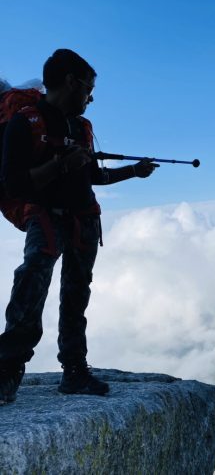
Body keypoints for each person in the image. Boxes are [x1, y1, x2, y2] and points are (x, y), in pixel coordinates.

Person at [0, 49, 158, 404]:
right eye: (88, 88)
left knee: (74, 295)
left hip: (83, 219)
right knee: (32, 285)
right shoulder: (24, 122)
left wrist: (134, 170)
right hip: (46, 215)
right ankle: (7, 371)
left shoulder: (81, 127)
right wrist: (61, 166)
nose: (91, 97)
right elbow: (14, 185)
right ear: (71, 81)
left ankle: (75, 372)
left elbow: (92, 176)